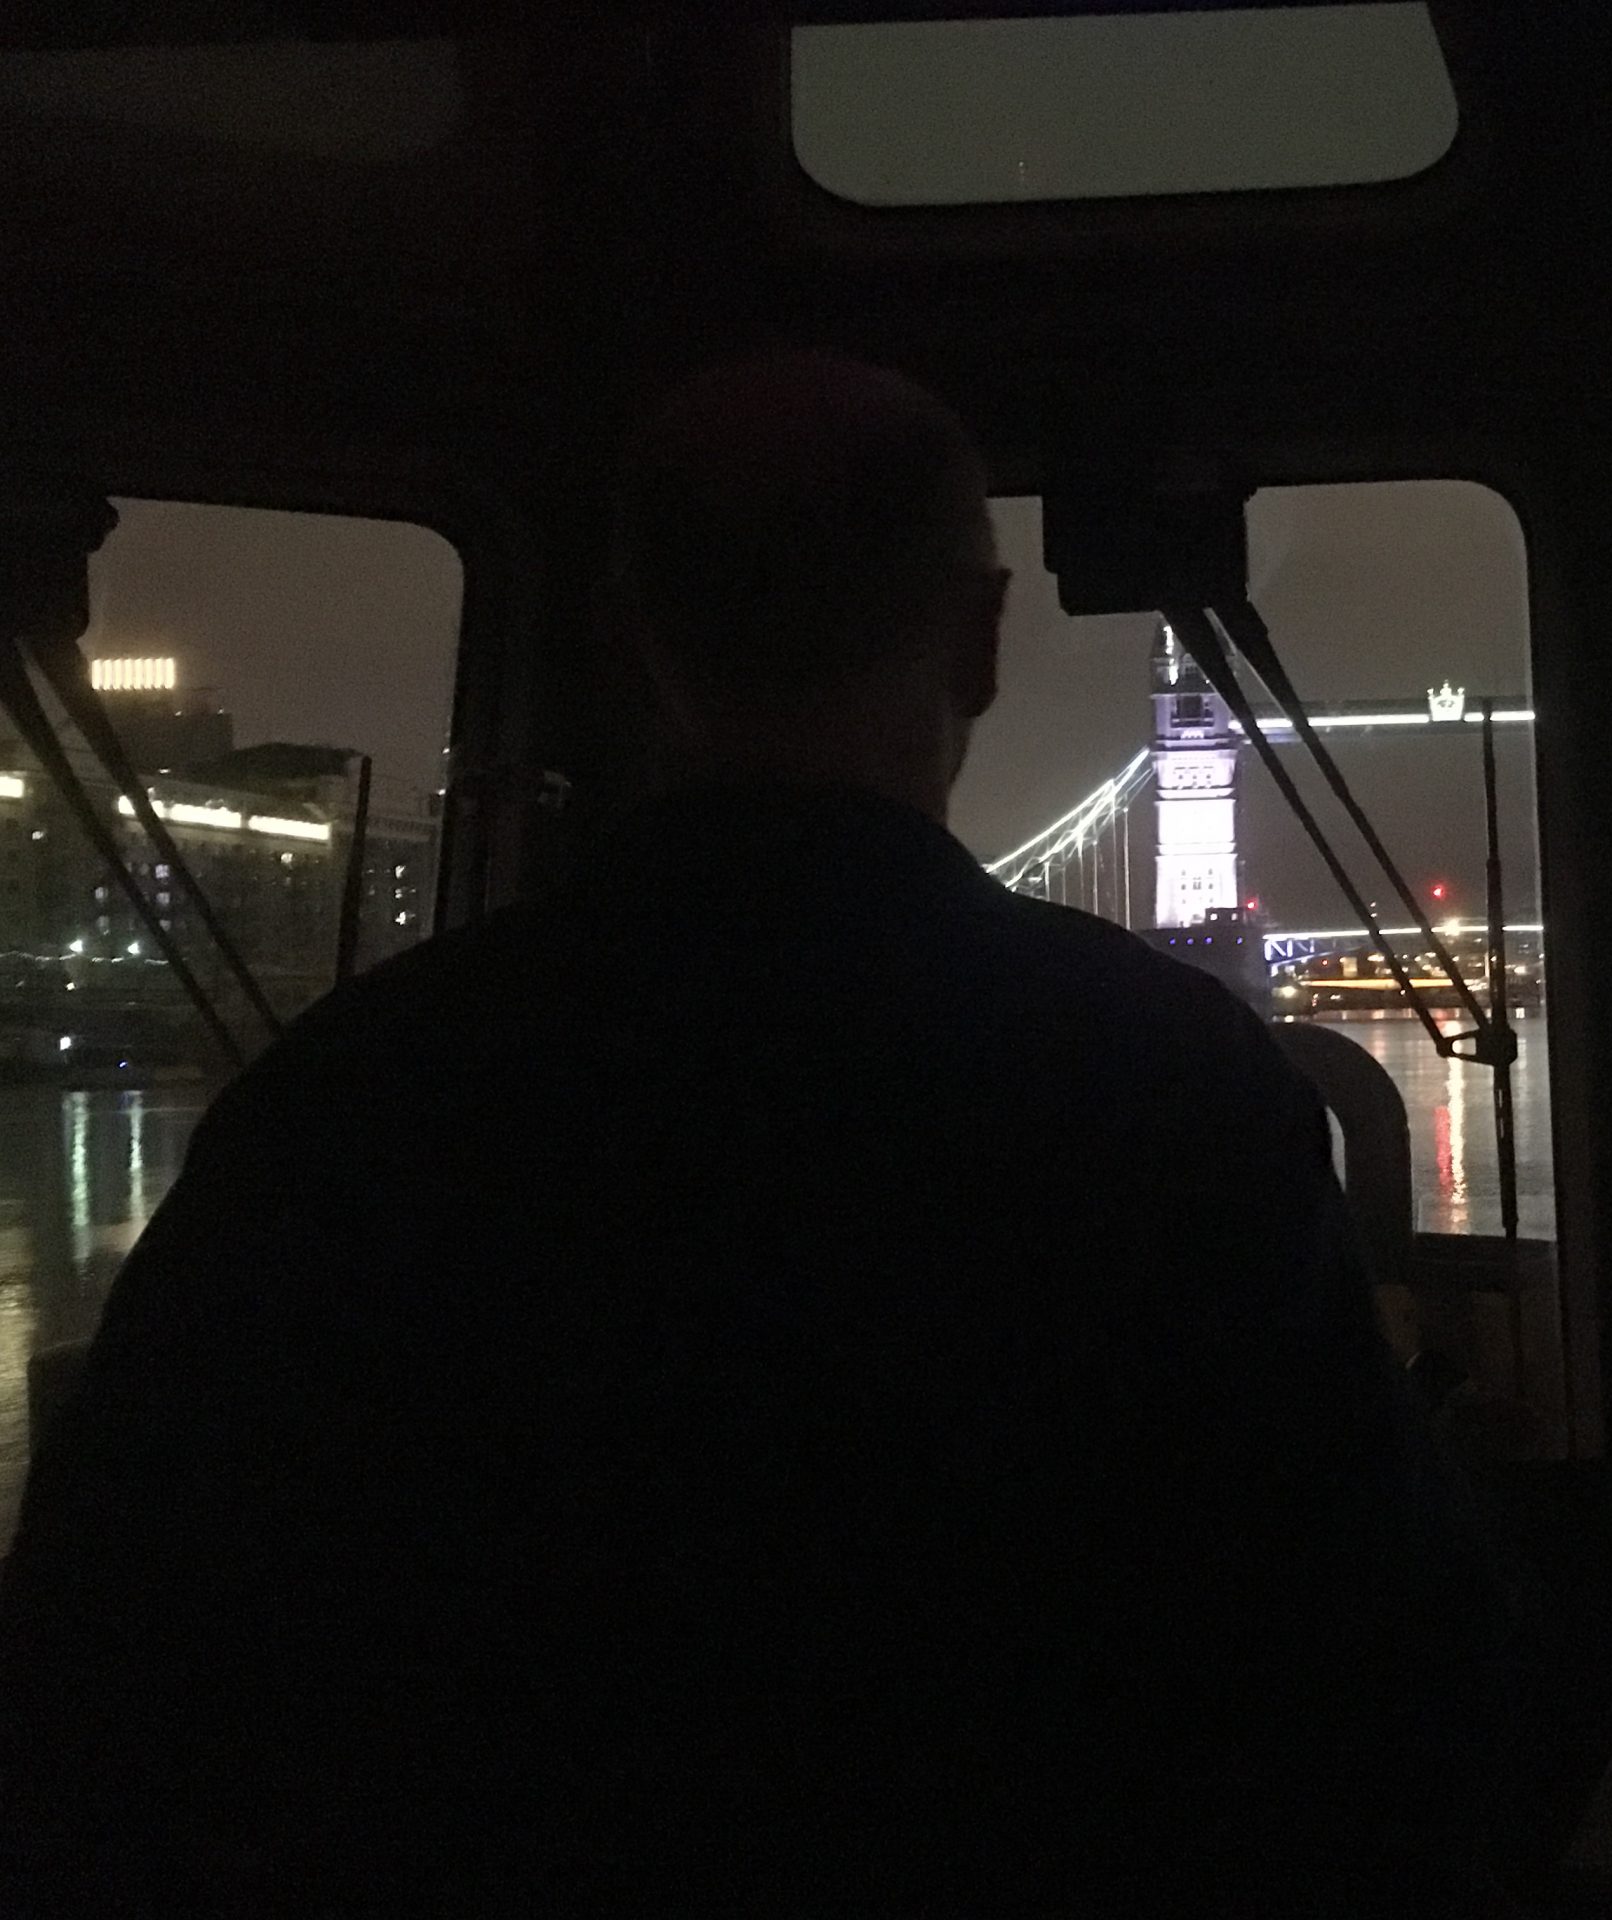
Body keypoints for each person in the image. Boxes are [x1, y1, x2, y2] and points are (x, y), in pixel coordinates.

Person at [0, 353, 1516, 1913]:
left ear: (634, 637)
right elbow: (1390, 1673)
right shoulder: (1174, 1087)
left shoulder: (344, 1102)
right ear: (984, 643)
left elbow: (112, 1687)